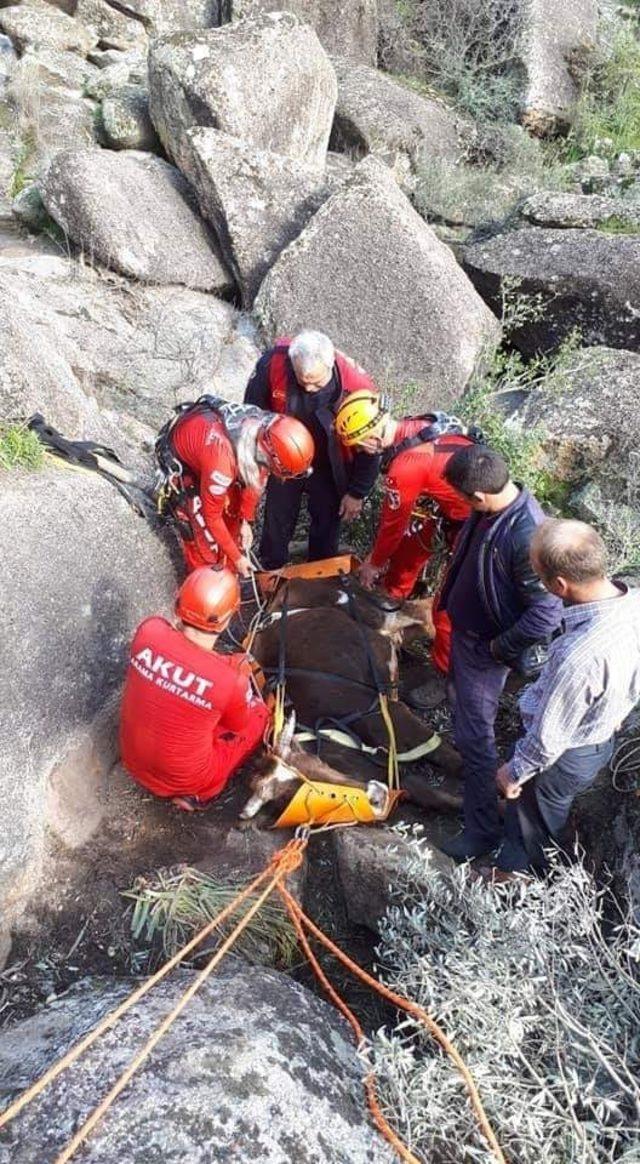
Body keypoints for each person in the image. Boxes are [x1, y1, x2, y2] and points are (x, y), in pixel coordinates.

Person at [488, 519, 640, 878]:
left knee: (538, 813)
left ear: (559, 584)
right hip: (599, 736)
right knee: (544, 804)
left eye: (538, 575)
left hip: (565, 755)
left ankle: (523, 873)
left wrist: (514, 772)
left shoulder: (578, 656)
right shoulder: (633, 601)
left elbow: (547, 740)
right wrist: (619, 706)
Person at [437, 446, 563, 862]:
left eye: (460, 497)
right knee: (469, 724)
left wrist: (496, 647)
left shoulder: (526, 535)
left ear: (478, 497)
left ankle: (482, 831)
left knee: (476, 738)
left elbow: (546, 613)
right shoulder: (492, 509)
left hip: (483, 647)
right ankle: (480, 798)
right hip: (469, 636)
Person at [335, 394, 477, 673]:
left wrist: (373, 564)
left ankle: (443, 673)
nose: (362, 453)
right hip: (455, 509)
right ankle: (391, 602)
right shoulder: (417, 426)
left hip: (474, 526)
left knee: (446, 609)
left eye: (359, 446)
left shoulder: (406, 466)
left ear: (372, 437)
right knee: (407, 552)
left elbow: (393, 526)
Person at [120, 566, 270, 810]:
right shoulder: (231, 679)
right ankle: (199, 794)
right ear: (228, 618)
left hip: (132, 760)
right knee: (260, 716)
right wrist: (235, 675)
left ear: (178, 604)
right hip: (185, 778)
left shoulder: (149, 630)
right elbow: (237, 725)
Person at [244, 331, 380, 569]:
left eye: (317, 382)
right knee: (277, 517)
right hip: (285, 456)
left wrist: (357, 492)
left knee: (327, 522)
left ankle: (320, 575)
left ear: (331, 364)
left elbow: (371, 447)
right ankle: (270, 571)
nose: (308, 387)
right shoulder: (273, 364)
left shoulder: (357, 388)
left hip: (330, 462)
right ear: (291, 363)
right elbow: (250, 415)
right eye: (301, 379)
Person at [156, 397, 314, 577]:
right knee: (207, 550)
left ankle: (230, 575)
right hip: (187, 466)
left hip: (209, 454)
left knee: (233, 528)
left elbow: (256, 479)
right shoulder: (222, 460)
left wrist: (245, 521)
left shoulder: (266, 433)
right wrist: (237, 558)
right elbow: (212, 516)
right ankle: (204, 588)